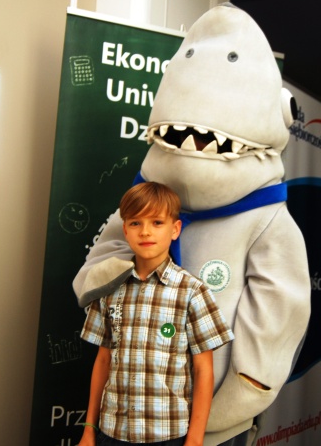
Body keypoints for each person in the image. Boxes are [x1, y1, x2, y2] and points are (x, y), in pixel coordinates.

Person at [79, 182, 235, 446]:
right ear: (125, 230)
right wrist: (89, 430)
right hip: (112, 433)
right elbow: (103, 360)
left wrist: (195, 439)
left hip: (168, 435)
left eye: (157, 222)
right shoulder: (108, 287)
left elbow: (203, 370)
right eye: (136, 223)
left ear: (175, 229)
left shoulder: (192, 292)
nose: (145, 231)